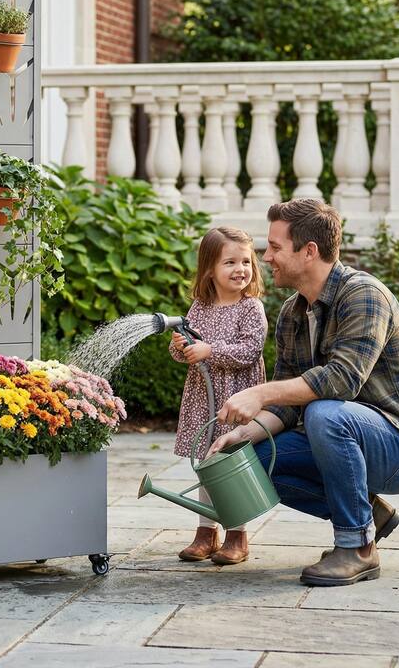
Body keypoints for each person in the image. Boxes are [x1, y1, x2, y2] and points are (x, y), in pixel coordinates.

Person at [208, 198, 399, 587]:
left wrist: (260, 393)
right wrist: (244, 433)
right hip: (349, 434)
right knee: (258, 458)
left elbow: (341, 381)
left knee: (326, 412)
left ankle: (357, 547)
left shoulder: (364, 295)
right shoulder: (291, 313)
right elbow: (286, 406)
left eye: (276, 247)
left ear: (309, 251)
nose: (266, 258)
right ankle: (368, 514)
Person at [169, 226, 268, 565]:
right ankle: (206, 531)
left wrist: (209, 351)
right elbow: (183, 350)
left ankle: (237, 534)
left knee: (230, 464)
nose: (241, 269)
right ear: (209, 268)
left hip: (235, 397)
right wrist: (181, 348)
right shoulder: (200, 306)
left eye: (246, 261)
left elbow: (249, 351)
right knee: (206, 464)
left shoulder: (250, 308)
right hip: (202, 396)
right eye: (230, 262)